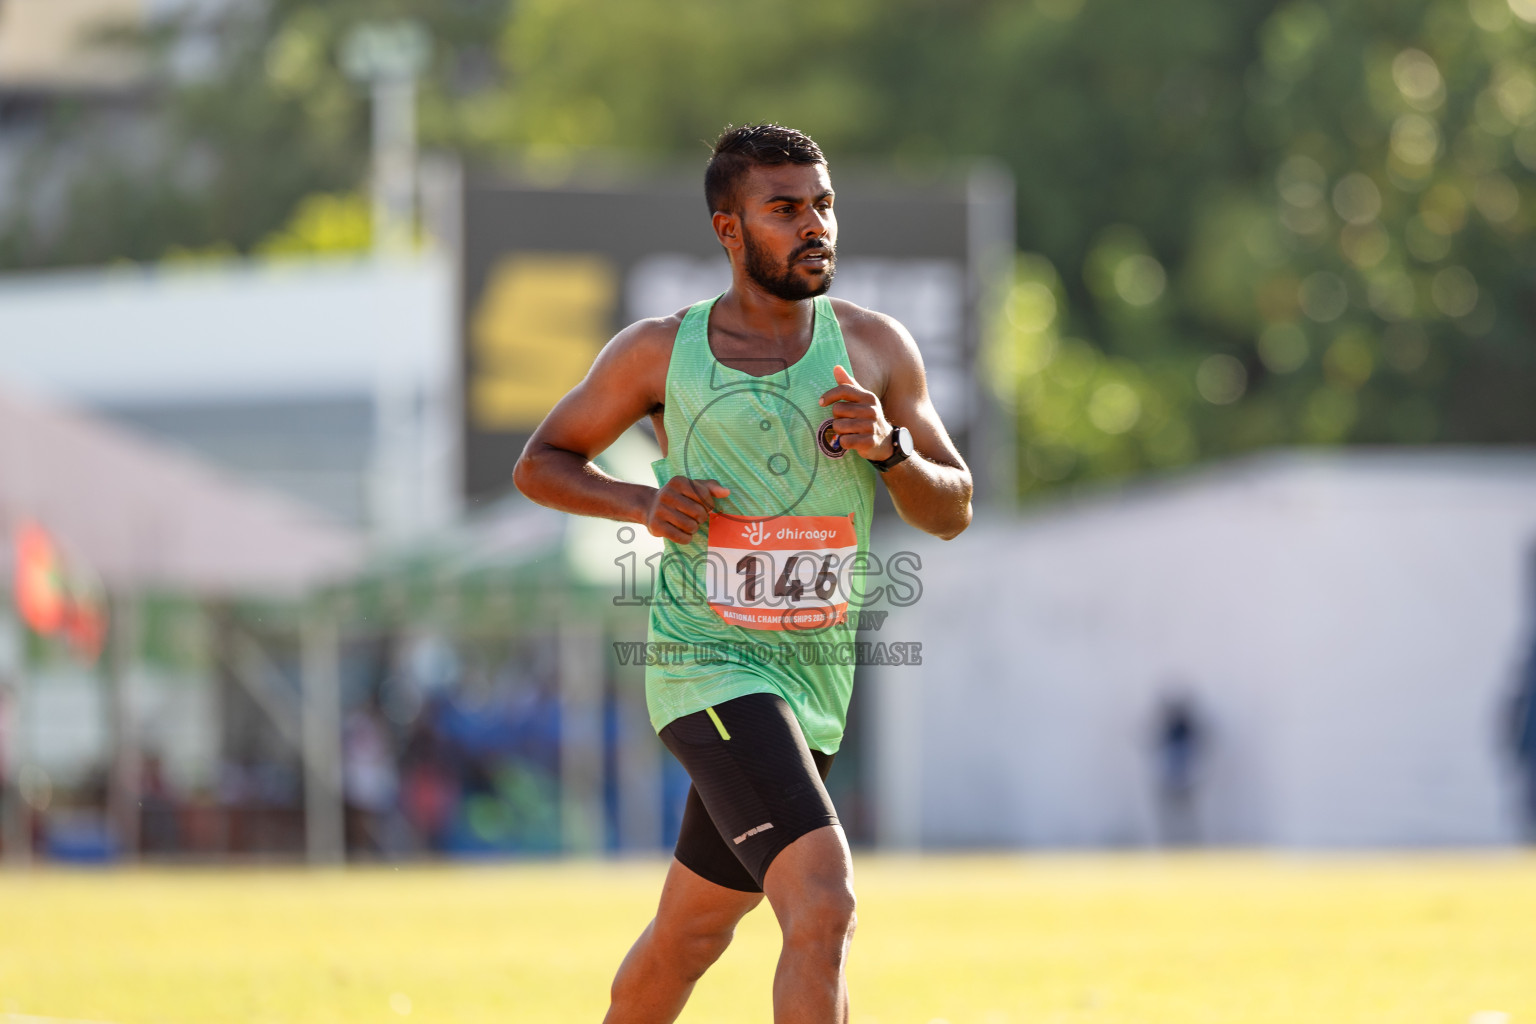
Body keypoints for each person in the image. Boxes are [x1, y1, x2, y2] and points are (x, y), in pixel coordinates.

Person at [513, 123, 972, 1023]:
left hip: (814, 684)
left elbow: (951, 506)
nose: (816, 226)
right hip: (707, 668)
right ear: (731, 230)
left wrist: (889, 453)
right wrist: (641, 505)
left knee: (689, 935)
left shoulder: (876, 349)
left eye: (824, 205)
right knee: (825, 901)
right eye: (786, 209)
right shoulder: (657, 353)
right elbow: (542, 461)